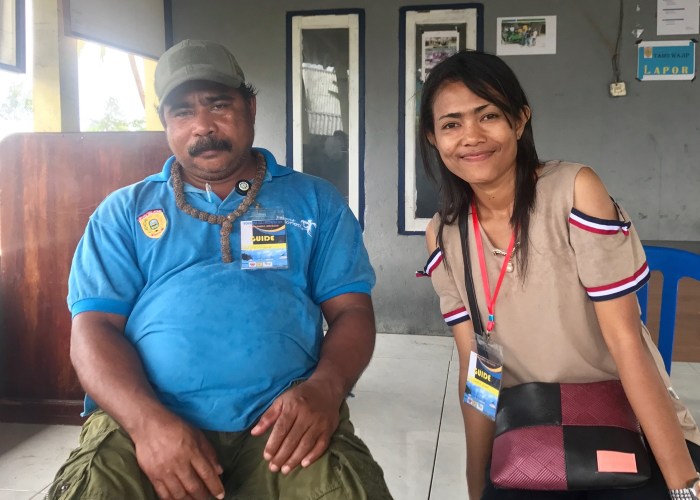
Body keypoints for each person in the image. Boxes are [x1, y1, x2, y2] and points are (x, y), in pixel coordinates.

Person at [48, 39, 392, 500]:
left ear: (250, 107)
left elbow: (352, 311)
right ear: (165, 122)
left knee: (347, 490)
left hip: (283, 418)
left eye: (218, 104)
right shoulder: (123, 212)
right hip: (145, 416)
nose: (203, 126)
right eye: (182, 112)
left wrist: (325, 391)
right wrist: (147, 424)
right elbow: (92, 329)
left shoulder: (316, 202)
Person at [416, 50, 700, 499]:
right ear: (433, 138)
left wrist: (684, 486)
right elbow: (479, 368)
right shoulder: (445, 234)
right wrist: (478, 484)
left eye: (488, 115)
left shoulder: (574, 192)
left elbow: (625, 342)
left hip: (624, 421)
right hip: (529, 430)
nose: (471, 137)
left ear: (519, 120)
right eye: (451, 124)